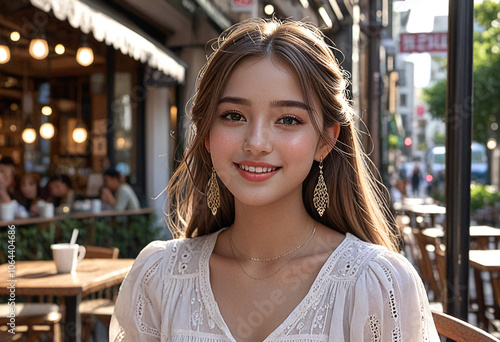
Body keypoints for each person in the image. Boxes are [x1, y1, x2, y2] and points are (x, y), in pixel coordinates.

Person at [110, 18, 438, 341]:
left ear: (325, 140)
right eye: (234, 116)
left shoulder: (378, 285)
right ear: (207, 133)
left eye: (288, 119)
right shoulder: (159, 276)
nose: (256, 142)